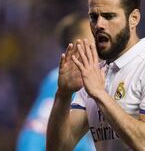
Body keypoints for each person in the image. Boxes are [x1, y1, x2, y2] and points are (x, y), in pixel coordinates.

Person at [46, 0, 145, 151]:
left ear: (133, 18)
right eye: (94, 17)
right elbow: (59, 148)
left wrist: (99, 93)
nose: (99, 25)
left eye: (109, 16)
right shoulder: (93, 73)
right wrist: (63, 94)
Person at [16, 13, 96, 151]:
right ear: (78, 41)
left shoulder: (96, 77)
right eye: (92, 33)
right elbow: (37, 129)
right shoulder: (59, 80)